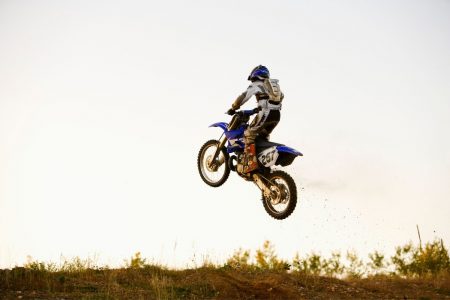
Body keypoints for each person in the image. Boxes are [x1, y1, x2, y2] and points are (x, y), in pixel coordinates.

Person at [227, 65, 284, 173]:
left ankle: (251, 163)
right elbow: (282, 96)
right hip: (276, 115)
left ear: (254, 75)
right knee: (262, 136)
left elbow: (243, 96)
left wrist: (234, 107)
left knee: (248, 134)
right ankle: (262, 160)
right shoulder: (273, 85)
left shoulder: (257, 84)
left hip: (266, 113)